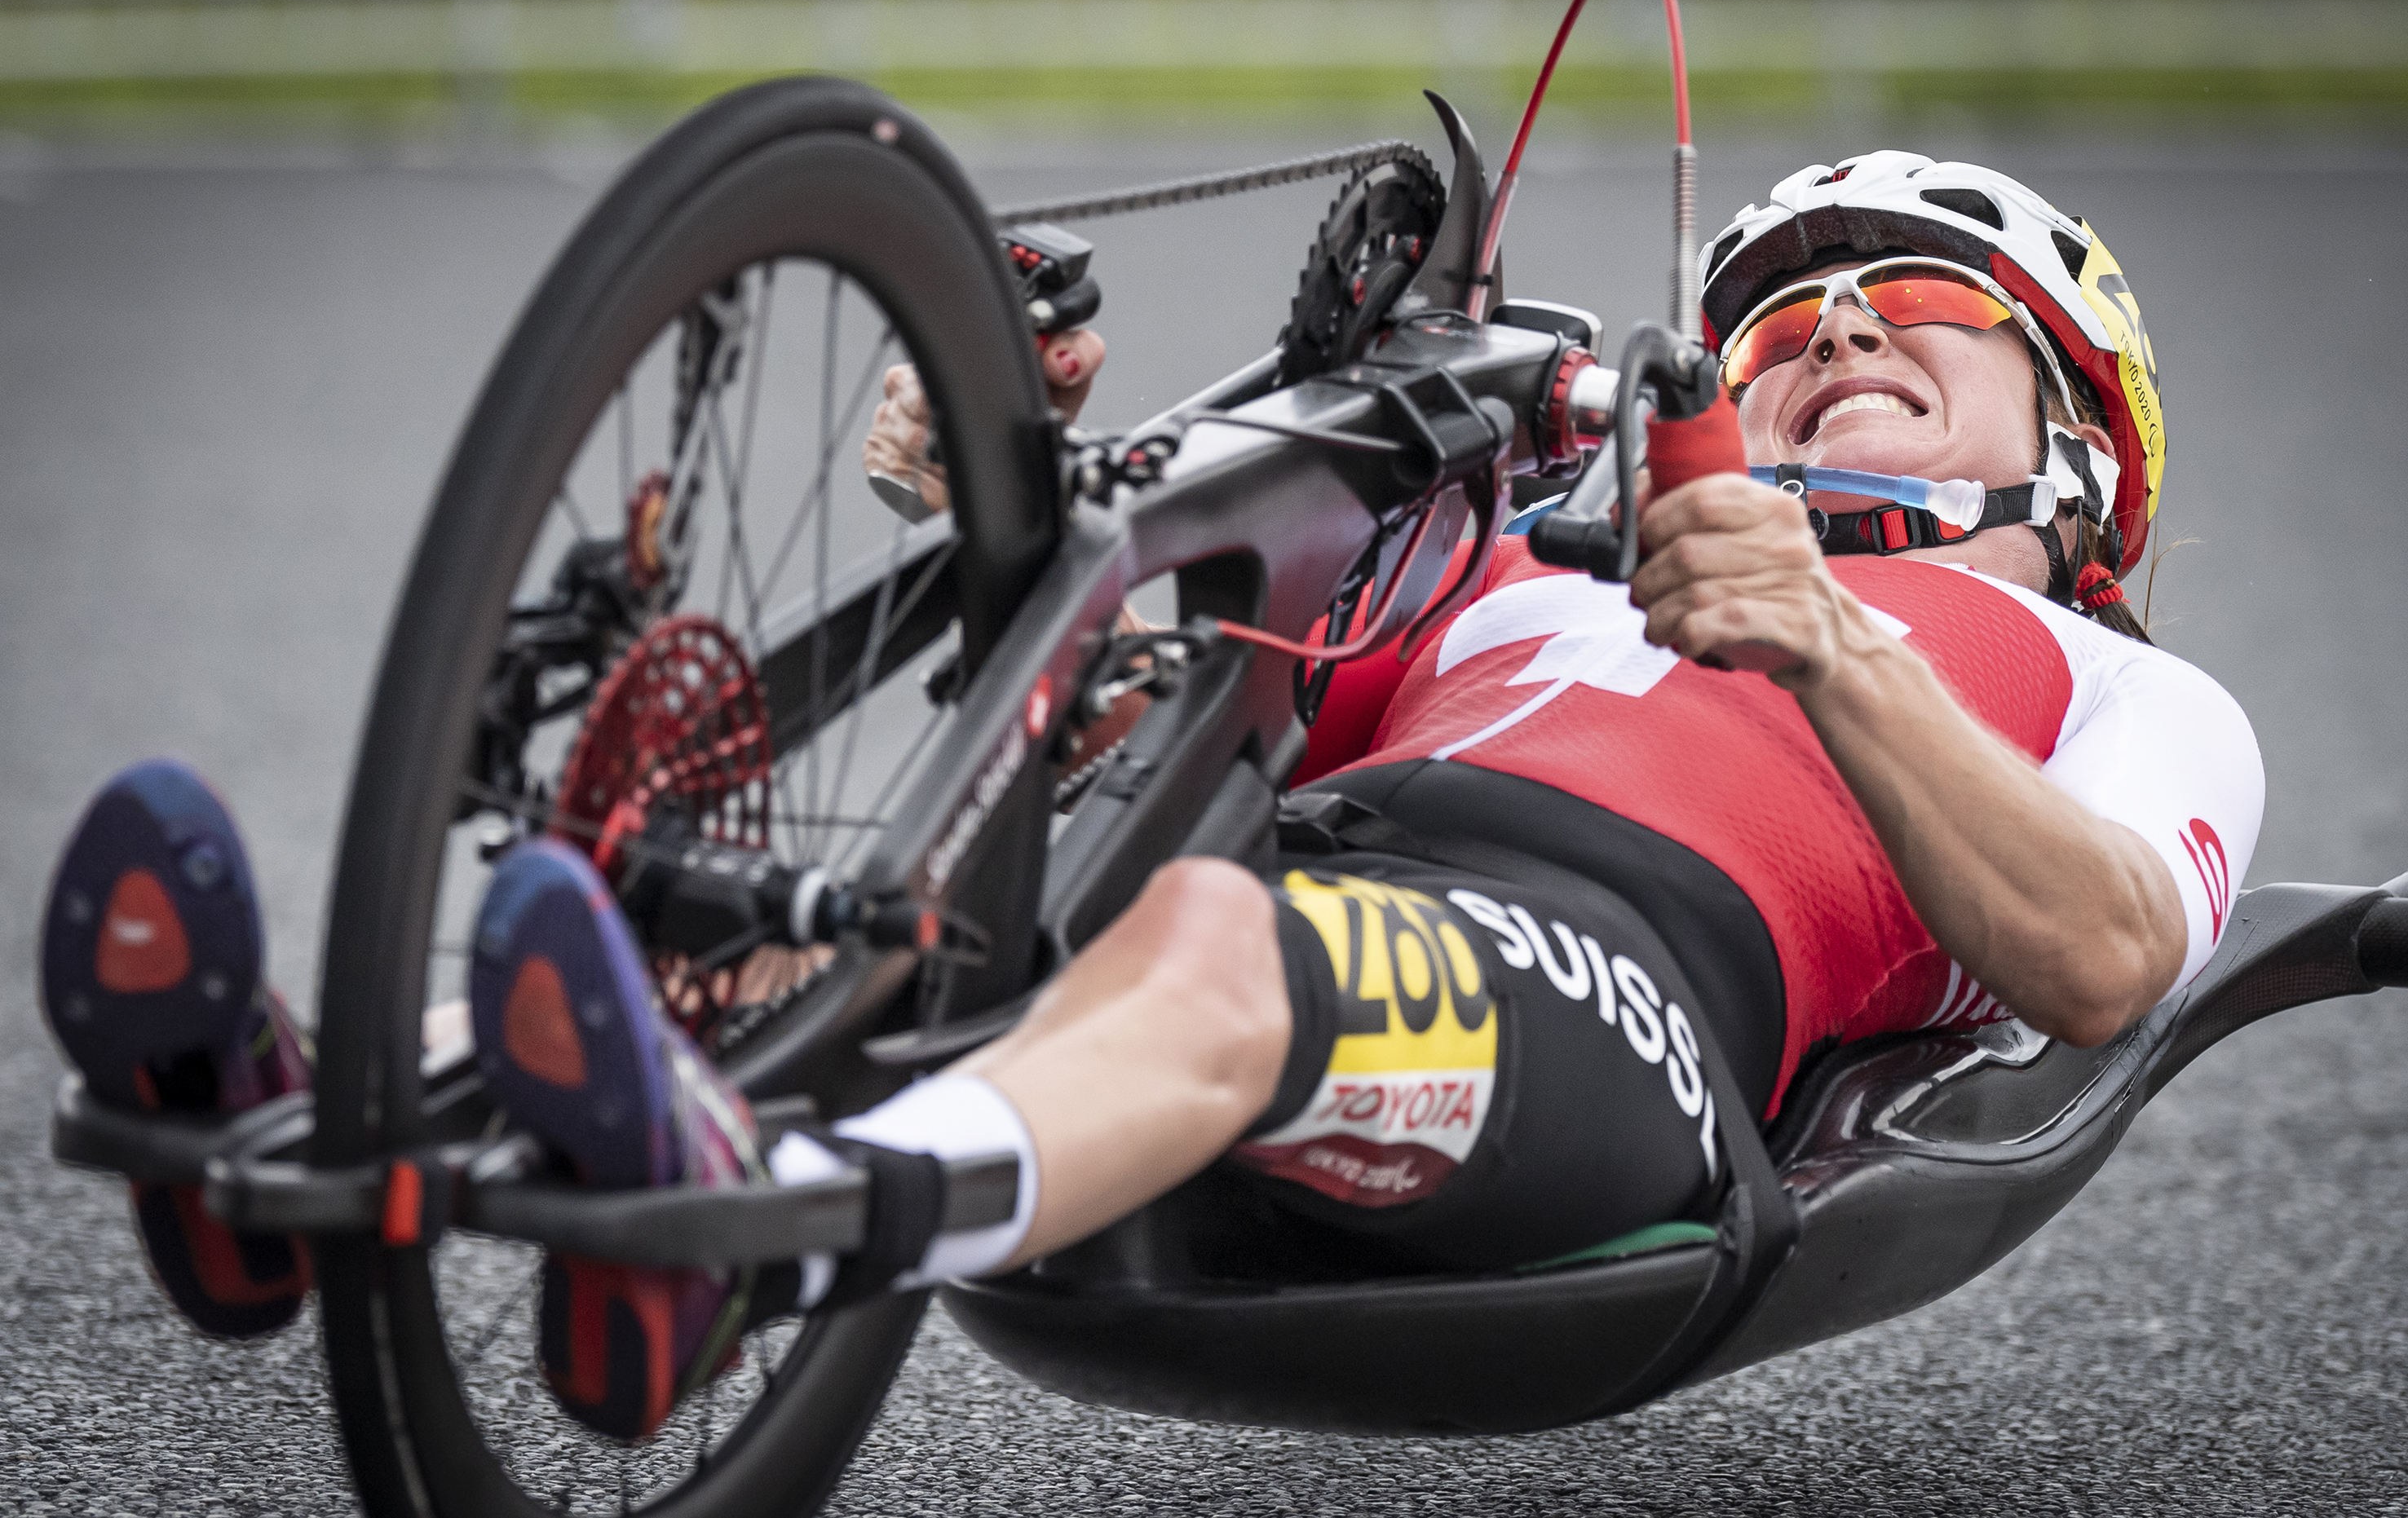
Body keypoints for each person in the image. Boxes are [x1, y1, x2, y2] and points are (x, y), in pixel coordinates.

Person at [42, 152, 2262, 1439]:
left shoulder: (2099, 678)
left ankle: (757, 1220)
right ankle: (308, 1126)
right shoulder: (1518, 569)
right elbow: (1148, 719)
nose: (1833, 333)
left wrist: (1820, 633)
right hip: (1298, 907)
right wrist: (1024, 499)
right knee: (848, 923)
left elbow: (2094, 958)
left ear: (2077, 448)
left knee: (1211, 935)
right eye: (1781, 322)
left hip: (1634, 1025)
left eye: (1912, 307)